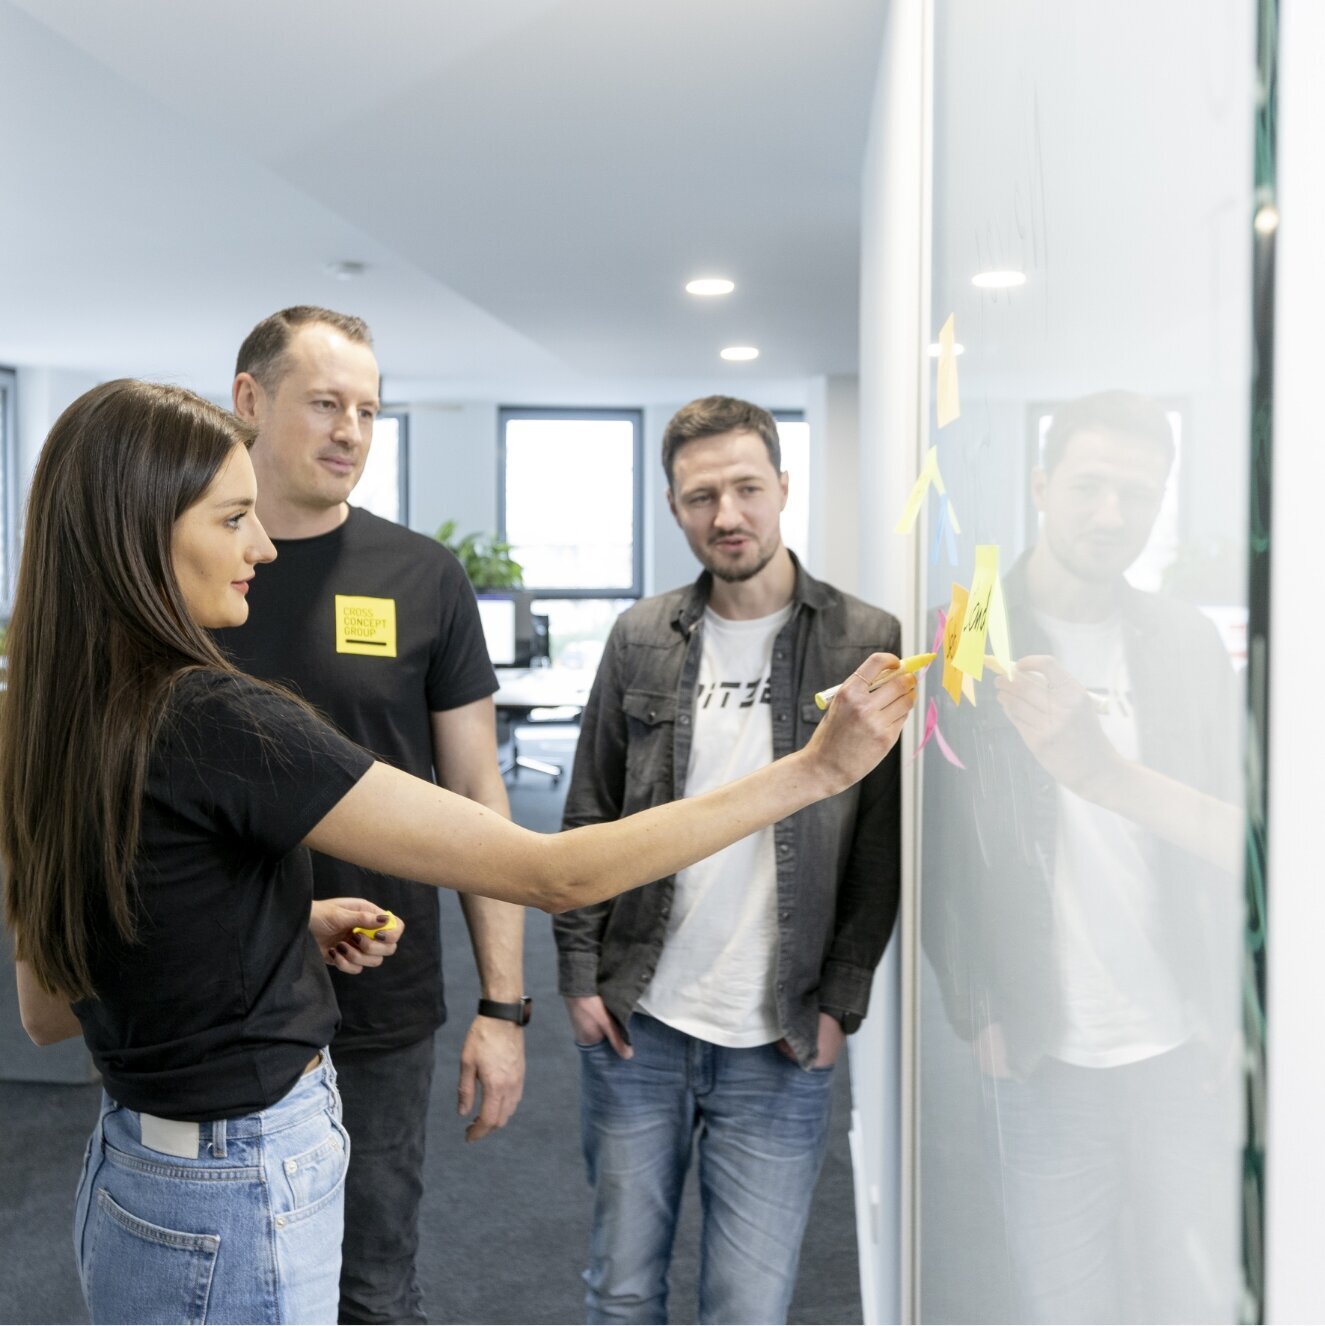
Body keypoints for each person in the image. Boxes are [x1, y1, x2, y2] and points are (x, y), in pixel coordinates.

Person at [2, 379, 915, 1326]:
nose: (263, 546)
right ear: (140, 532)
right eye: (234, 517)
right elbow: (558, 871)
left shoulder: (52, 717)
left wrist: (276, 924)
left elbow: (50, 1007)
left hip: (135, 1173)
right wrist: (811, 771)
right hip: (236, 1185)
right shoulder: (216, 715)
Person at [553, 395, 904, 1325]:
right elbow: (590, 808)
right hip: (642, 1016)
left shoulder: (866, 641)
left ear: (783, 488)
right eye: (700, 495)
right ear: (674, 508)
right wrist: (580, 975)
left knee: (747, 1308)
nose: (727, 515)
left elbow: (879, 842)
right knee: (621, 1288)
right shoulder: (639, 638)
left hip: (780, 1033)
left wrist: (841, 1000)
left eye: (746, 487)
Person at [212, 305, 521, 1325]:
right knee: (230, 1277)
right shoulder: (187, 569)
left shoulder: (421, 577)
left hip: (380, 994)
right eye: (325, 403)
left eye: (369, 410)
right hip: (219, 990)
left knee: (373, 1280)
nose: (350, 429)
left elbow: (478, 795)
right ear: (250, 401)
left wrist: (504, 1007)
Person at [921, 389, 1243, 1322]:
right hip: (1041, 1047)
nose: (1112, 515)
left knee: (1189, 1293)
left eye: (1136, 495)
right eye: (1091, 487)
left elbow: (1229, 834)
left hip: (1179, 1037)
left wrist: (1231, 1008)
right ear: (1040, 486)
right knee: (1065, 1301)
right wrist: (971, 999)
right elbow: (941, 840)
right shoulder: (972, 636)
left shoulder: (1183, 643)